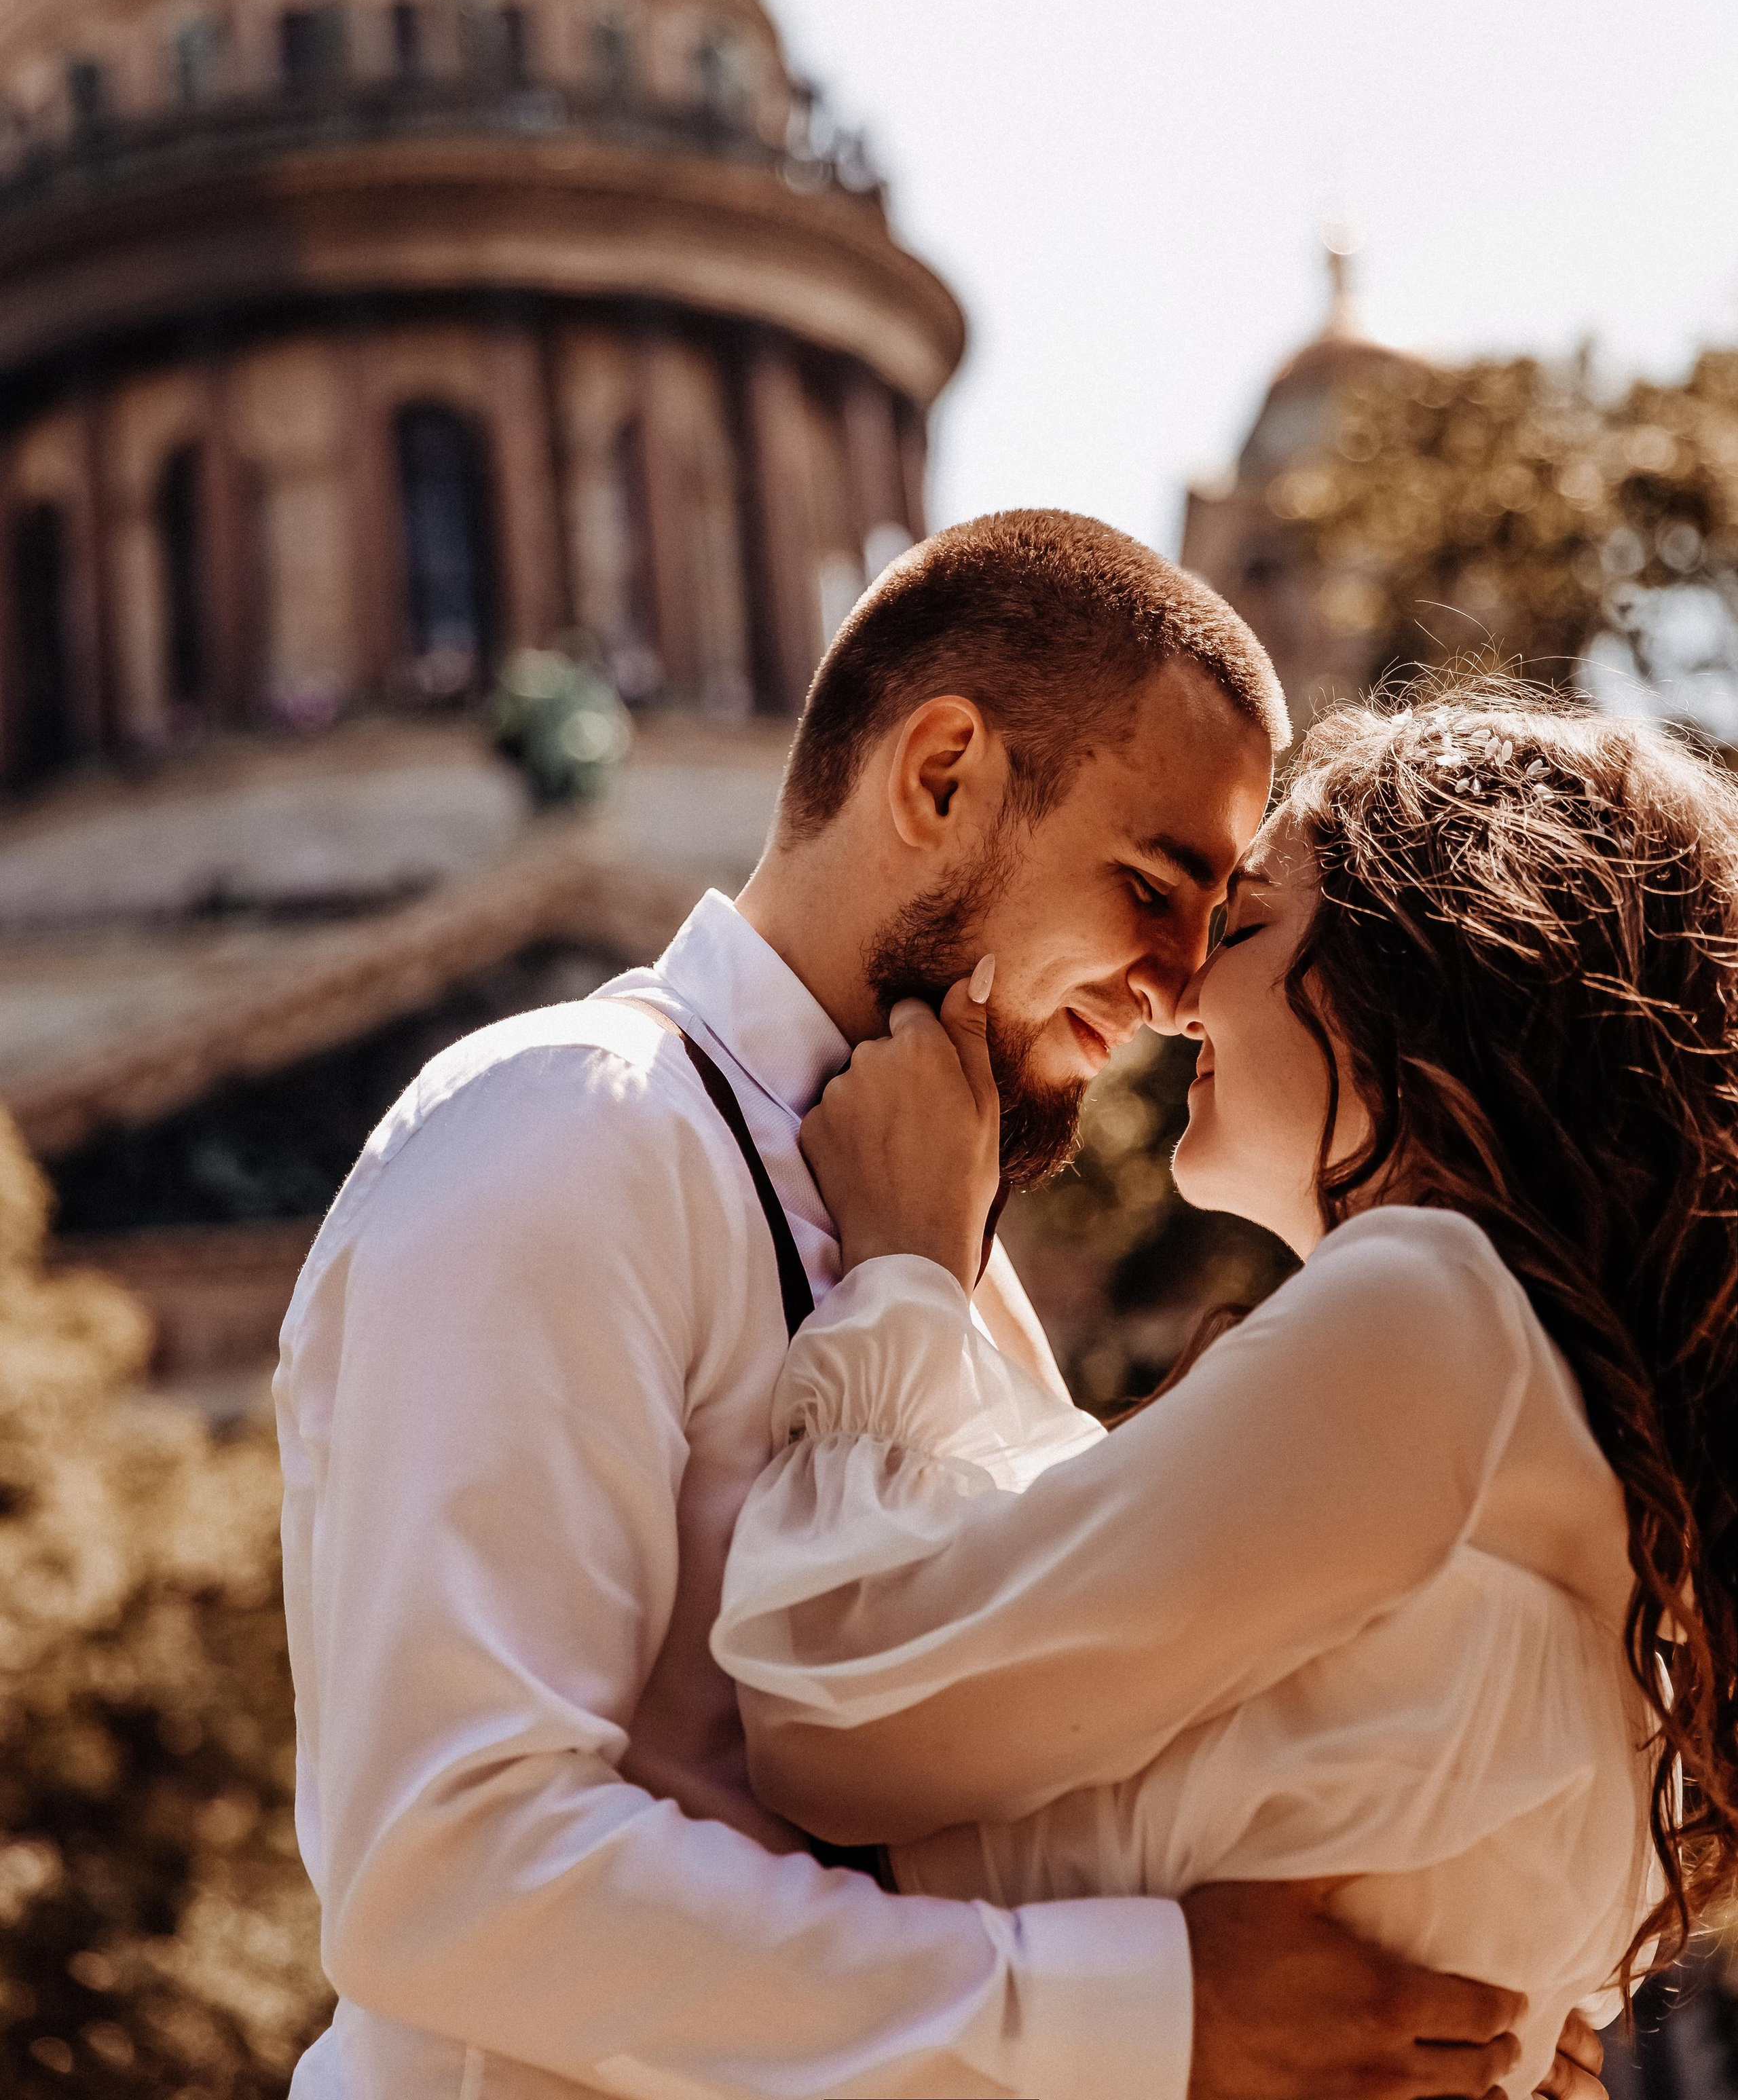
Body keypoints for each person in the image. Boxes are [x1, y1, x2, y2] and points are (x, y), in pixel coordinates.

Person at [277, 512, 1604, 2100]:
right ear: (940, 776)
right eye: (1153, 885)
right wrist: (1154, 2016)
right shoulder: (570, 1130)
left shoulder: (946, 1255)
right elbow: (448, 1867)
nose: (1183, 990)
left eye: (1220, 914)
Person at [714, 686, 1738, 2097]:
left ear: (1421, 971)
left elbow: (831, 1711)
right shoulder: (1587, 1479)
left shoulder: (1426, 1312)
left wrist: (901, 1272)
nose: (1178, 995)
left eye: (1242, 927)